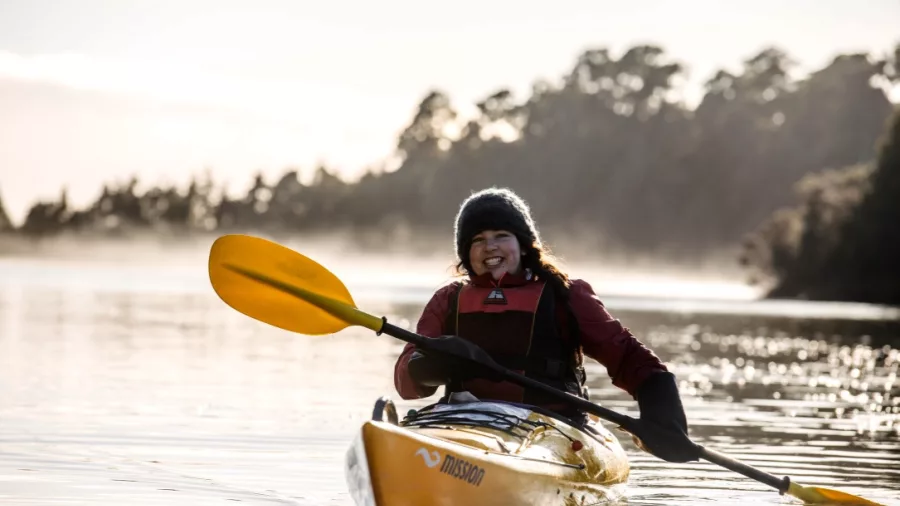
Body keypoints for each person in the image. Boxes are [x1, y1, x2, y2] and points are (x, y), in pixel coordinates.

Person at [392, 187, 699, 463]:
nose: (490, 247)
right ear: (466, 254)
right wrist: (427, 365)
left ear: (524, 245)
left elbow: (627, 355)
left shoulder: (565, 295)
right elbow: (406, 383)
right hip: (465, 421)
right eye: (478, 240)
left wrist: (661, 402)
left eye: (501, 235)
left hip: (550, 427)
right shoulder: (448, 300)